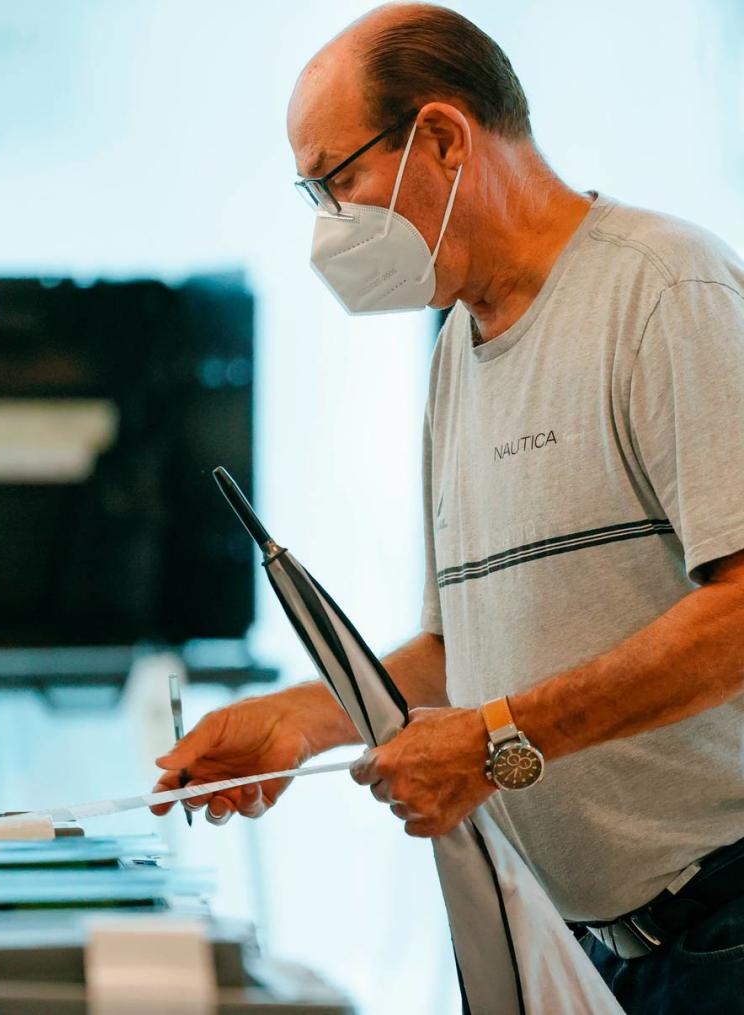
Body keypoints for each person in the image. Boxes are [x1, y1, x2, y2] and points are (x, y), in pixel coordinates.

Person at [151, 5, 744, 1011]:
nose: (330, 225)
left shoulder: (664, 290)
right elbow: (456, 649)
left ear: (442, 137)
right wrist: (300, 720)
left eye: (340, 180)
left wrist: (492, 741)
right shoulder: (453, 357)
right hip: (593, 951)